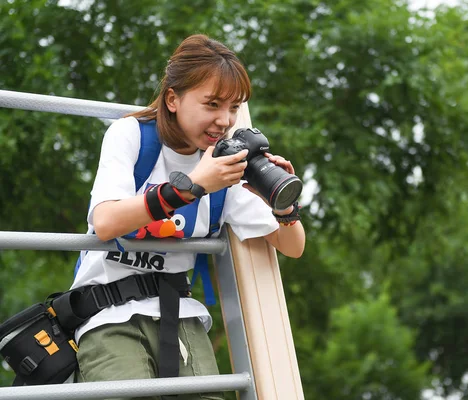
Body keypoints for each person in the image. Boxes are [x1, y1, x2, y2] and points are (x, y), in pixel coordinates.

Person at [70, 34, 305, 400]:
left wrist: (283, 205)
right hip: (108, 313)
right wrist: (193, 186)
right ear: (173, 98)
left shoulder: (223, 166)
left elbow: (293, 246)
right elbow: (105, 222)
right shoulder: (131, 135)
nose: (224, 120)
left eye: (234, 107)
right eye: (212, 104)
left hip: (181, 316)